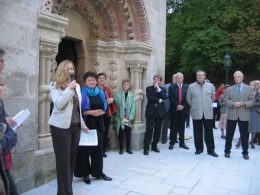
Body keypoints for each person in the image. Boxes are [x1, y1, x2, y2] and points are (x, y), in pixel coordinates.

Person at [48, 60, 88, 195]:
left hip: (75, 128)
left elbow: (78, 109)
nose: (71, 71)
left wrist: (83, 125)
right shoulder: (55, 85)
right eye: (68, 68)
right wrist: (69, 89)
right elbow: (59, 104)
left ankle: (66, 192)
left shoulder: (77, 86)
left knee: (71, 162)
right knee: (63, 164)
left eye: (72, 68)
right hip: (60, 128)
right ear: (62, 70)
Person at [74, 71, 112, 185]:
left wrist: (100, 112)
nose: (91, 82)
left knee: (98, 149)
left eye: (93, 80)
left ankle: (98, 172)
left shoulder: (100, 92)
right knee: (85, 150)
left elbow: (105, 106)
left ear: (96, 81)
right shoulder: (81, 93)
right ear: (85, 82)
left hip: (98, 123)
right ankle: (85, 173)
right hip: (86, 123)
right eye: (89, 80)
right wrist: (92, 112)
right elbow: (79, 110)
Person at [186, 70, 218, 157]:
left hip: (208, 112)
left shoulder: (211, 86)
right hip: (196, 112)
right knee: (197, 132)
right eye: (198, 75)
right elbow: (189, 100)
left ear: (205, 76)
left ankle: (211, 150)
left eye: (201, 75)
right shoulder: (191, 86)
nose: (199, 77)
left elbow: (213, 98)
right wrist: (196, 106)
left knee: (209, 132)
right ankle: (199, 149)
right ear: (196, 77)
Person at [224, 71, 254, 160]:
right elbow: (226, 100)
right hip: (232, 114)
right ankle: (227, 151)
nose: (236, 78)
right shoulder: (229, 89)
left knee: (244, 135)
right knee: (229, 134)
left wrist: (244, 103)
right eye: (235, 77)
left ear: (242, 77)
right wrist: (233, 103)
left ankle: (245, 152)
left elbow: (252, 101)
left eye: (238, 77)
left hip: (244, 114)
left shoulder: (249, 88)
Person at [0, 76, 18, 195]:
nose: (4, 87)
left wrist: (9, 122)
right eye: (1, 84)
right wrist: (10, 134)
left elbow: (5, 123)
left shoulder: (1, 102)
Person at [143, 74, 167, 155]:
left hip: (160, 113)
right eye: (154, 79)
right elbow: (150, 98)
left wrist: (158, 89)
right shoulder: (148, 88)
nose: (155, 81)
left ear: (160, 81)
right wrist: (159, 100)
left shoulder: (163, 89)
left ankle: (154, 146)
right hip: (151, 112)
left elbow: (165, 97)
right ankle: (146, 147)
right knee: (149, 129)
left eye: (157, 79)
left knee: (158, 130)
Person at [97, 72, 116, 157]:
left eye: (103, 78)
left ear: (105, 80)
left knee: (105, 132)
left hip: (106, 113)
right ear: (97, 80)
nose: (101, 79)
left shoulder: (107, 89)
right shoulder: (94, 89)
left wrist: (111, 100)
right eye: (100, 78)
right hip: (97, 113)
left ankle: (103, 151)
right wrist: (106, 101)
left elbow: (111, 99)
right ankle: (96, 151)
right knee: (98, 132)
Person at [114, 79, 136, 154]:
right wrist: (121, 115)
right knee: (120, 134)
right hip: (120, 117)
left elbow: (133, 106)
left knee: (128, 134)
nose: (126, 85)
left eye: (127, 84)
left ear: (129, 86)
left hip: (128, 118)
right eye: (124, 84)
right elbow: (116, 104)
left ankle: (128, 148)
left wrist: (130, 116)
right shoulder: (117, 94)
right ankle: (121, 148)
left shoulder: (131, 94)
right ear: (122, 85)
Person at [168, 72, 189, 150]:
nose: (179, 79)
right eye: (177, 77)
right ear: (175, 79)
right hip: (174, 110)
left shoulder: (187, 87)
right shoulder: (171, 87)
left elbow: (188, 98)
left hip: (183, 111)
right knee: (173, 127)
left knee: (182, 127)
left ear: (183, 78)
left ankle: (182, 143)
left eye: (180, 77)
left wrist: (183, 106)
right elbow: (171, 98)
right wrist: (177, 105)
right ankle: (172, 143)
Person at [161, 74, 176, 144]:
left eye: (177, 78)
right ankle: (164, 138)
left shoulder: (179, 87)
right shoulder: (166, 86)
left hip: (175, 109)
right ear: (172, 79)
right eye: (174, 78)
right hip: (167, 108)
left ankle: (173, 137)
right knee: (165, 124)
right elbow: (162, 95)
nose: (175, 79)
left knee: (175, 124)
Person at [248, 80, 260, 149]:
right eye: (252, 85)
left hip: (256, 112)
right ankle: (240, 142)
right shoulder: (249, 92)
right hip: (248, 112)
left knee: (254, 129)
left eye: (255, 85)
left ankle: (252, 142)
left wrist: (251, 103)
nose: (253, 86)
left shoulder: (259, 92)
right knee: (247, 128)